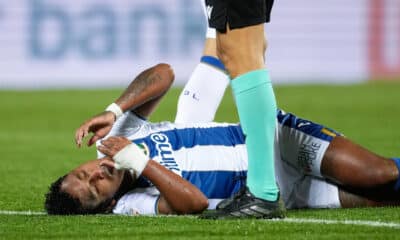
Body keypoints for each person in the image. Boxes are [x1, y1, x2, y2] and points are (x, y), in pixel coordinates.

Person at [45, 63, 400, 217]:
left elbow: (163, 74)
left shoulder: (116, 137)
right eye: (93, 190)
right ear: (106, 206)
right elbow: (194, 202)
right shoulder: (129, 205)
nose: (95, 176)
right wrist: (138, 161)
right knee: (384, 198)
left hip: (274, 139)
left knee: (380, 174)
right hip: (282, 193)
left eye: (81, 173)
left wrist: (114, 109)